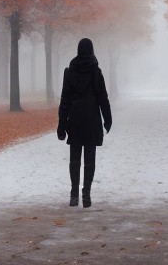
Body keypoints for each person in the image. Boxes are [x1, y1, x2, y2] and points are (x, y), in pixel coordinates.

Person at [57, 37, 112, 208]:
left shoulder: (70, 72)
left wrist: (61, 124)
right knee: (90, 159)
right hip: (91, 118)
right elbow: (103, 97)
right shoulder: (96, 72)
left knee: (74, 158)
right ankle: (86, 194)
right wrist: (107, 119)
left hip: (74, 117)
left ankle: (74, 194)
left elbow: (64, 100)